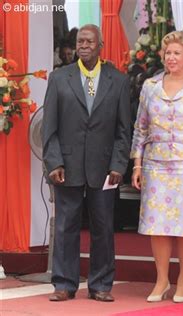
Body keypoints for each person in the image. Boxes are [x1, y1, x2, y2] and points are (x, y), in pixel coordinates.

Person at [42, 24, 131, 302]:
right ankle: (64, 284)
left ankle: (101, 284)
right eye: (80, 41)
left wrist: (118, 165)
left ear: (100, 45)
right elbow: (49, 127)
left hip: (104, 168)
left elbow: (123, 129)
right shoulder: (59, 78)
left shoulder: (118, 80)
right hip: (65, 167)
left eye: (89, 41)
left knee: (103, 227)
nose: (83, 45)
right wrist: (53, 162)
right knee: (66, 225)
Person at [130, 31, 183, 303]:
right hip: (156, 164)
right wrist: (137, 164)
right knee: (158, 225)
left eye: (177, 53)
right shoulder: (150, 85)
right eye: (168, 53)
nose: (171, 58)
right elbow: (140, 127)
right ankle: (161, 279)